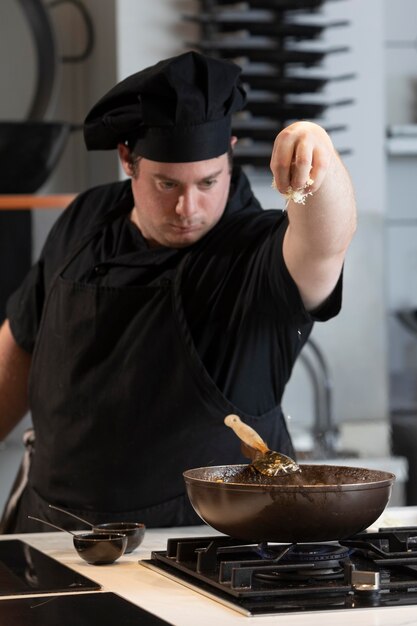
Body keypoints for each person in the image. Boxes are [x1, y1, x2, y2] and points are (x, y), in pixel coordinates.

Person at [0, 51, 356, 533]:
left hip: (195, 549)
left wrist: (319, 156)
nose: (188, 206)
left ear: (230, 152)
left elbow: (325, 244)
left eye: (209, 181)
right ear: (128, 159)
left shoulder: (255, 251)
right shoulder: (87, 219)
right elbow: (18, 349)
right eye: (167, 183)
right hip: (52, 536)